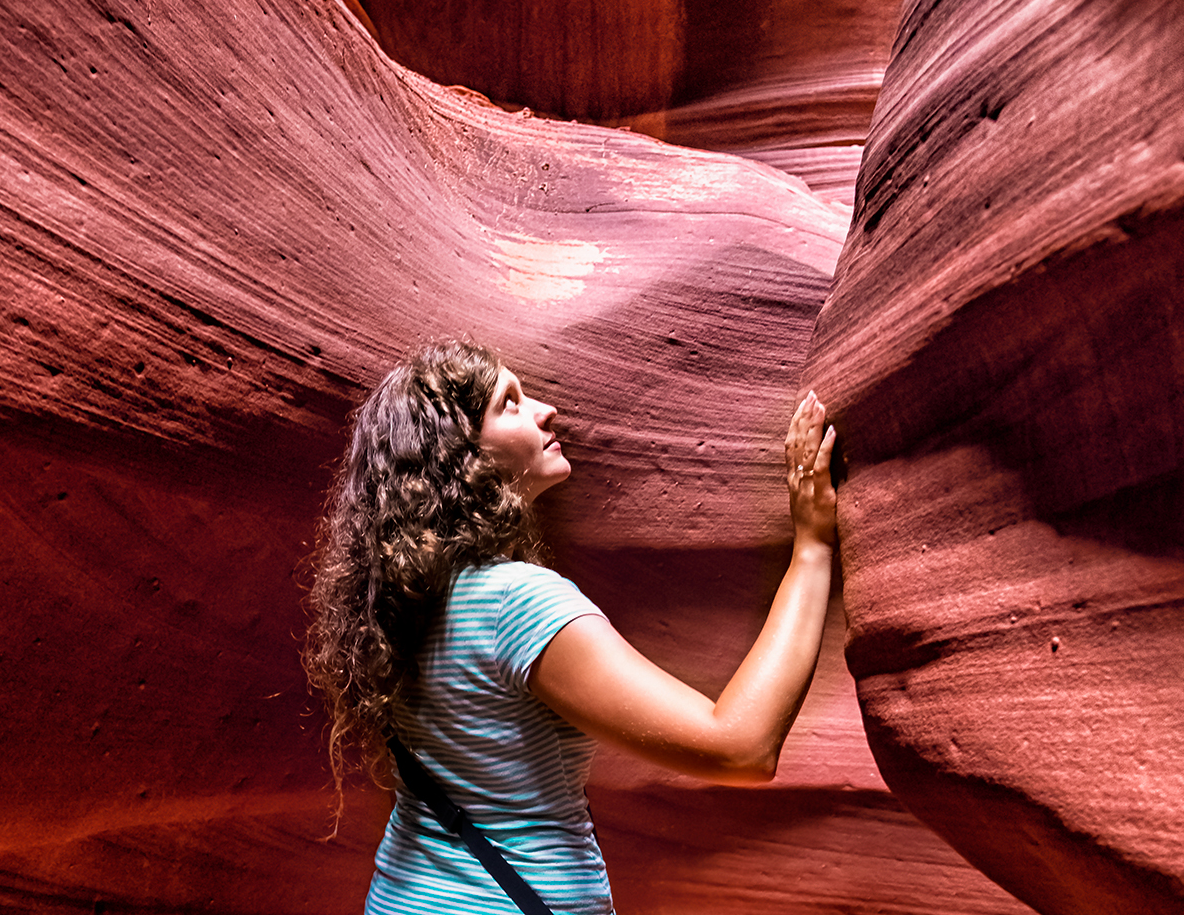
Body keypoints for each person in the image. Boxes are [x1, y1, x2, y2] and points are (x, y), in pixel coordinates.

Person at [303, 338, 837, 915]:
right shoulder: (517, 602)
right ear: (464, 457)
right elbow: (740, 746)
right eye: (509, 403)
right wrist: (812, 544)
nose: (545, 411)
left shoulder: (401, 597)